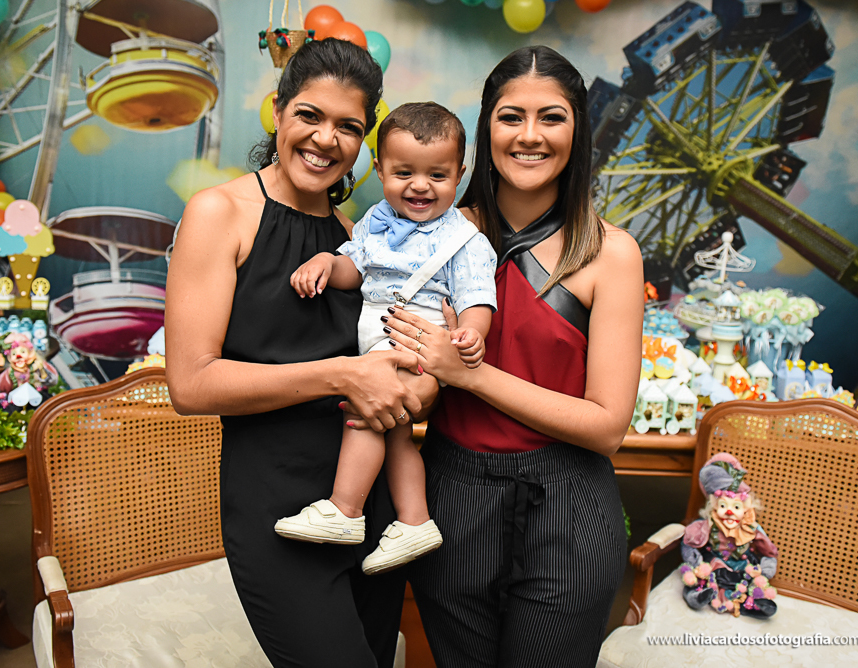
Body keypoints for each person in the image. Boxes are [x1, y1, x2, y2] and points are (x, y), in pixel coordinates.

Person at [165, 38, 424, 668]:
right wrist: (343, 375)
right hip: (277, 507)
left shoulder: (352, 239)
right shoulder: (219, 213)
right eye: (310, 115)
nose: (326, 139)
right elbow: (190, 385)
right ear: (278, 111)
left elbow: (389, 358)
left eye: (349, 127)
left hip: (366, 505)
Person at [383, 46, 644, 667]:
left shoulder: (611, 253)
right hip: (452, 498)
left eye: (551, 117)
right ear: (486, 129)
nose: (530, 136)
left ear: (578, 131)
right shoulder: (432, 234)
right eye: (510, 117)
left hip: (569, 509)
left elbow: (607, 427)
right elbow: (399, 370)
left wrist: (468, 374)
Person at [276, 102, 498, 575]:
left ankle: (344, 510)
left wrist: (471, 332)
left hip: (415, 341)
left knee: (364, 414)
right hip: (380, 337)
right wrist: (326, 263)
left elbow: (477, 297)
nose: (420, 185)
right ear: (379, 170)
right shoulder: (376, 220)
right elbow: (354, 268)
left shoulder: (466, 241)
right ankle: (415, 521)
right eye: (404, 173)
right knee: (396, 434)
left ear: (459, 174)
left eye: (437, 175)